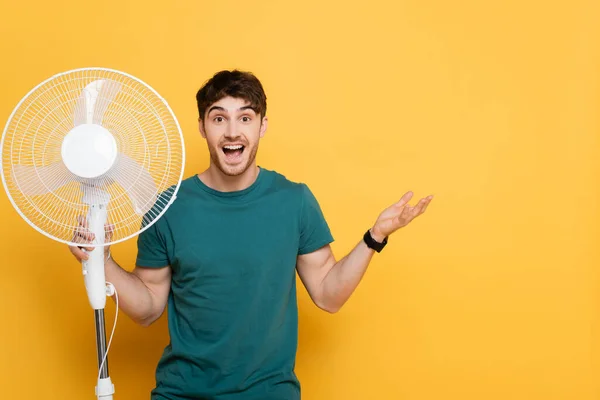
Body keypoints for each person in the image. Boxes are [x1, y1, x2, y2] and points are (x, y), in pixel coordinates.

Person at [69, 70, 433, 400]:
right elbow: (147, 308)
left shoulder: (294, 201)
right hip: (182, 394)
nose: (232, 131)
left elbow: (328, 295)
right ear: (202, 127)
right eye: (218, 118)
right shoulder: (168, 206)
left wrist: (375, 236)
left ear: (262, 126)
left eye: (245, 117)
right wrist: (101, 260)